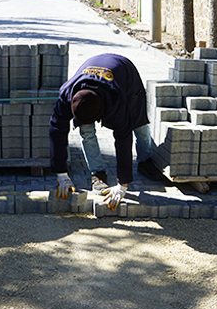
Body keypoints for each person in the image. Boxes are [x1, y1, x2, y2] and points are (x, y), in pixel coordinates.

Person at [49, 53, 165, 210]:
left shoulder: (116, 100)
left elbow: (123, 138)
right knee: (86, 133)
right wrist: (61, 173)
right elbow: (57, 130)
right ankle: (98, 173)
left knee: (138, 124)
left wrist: (122, 184)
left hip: (126, 75)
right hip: (93, 69)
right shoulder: (67, 95)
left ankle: (145, 160)